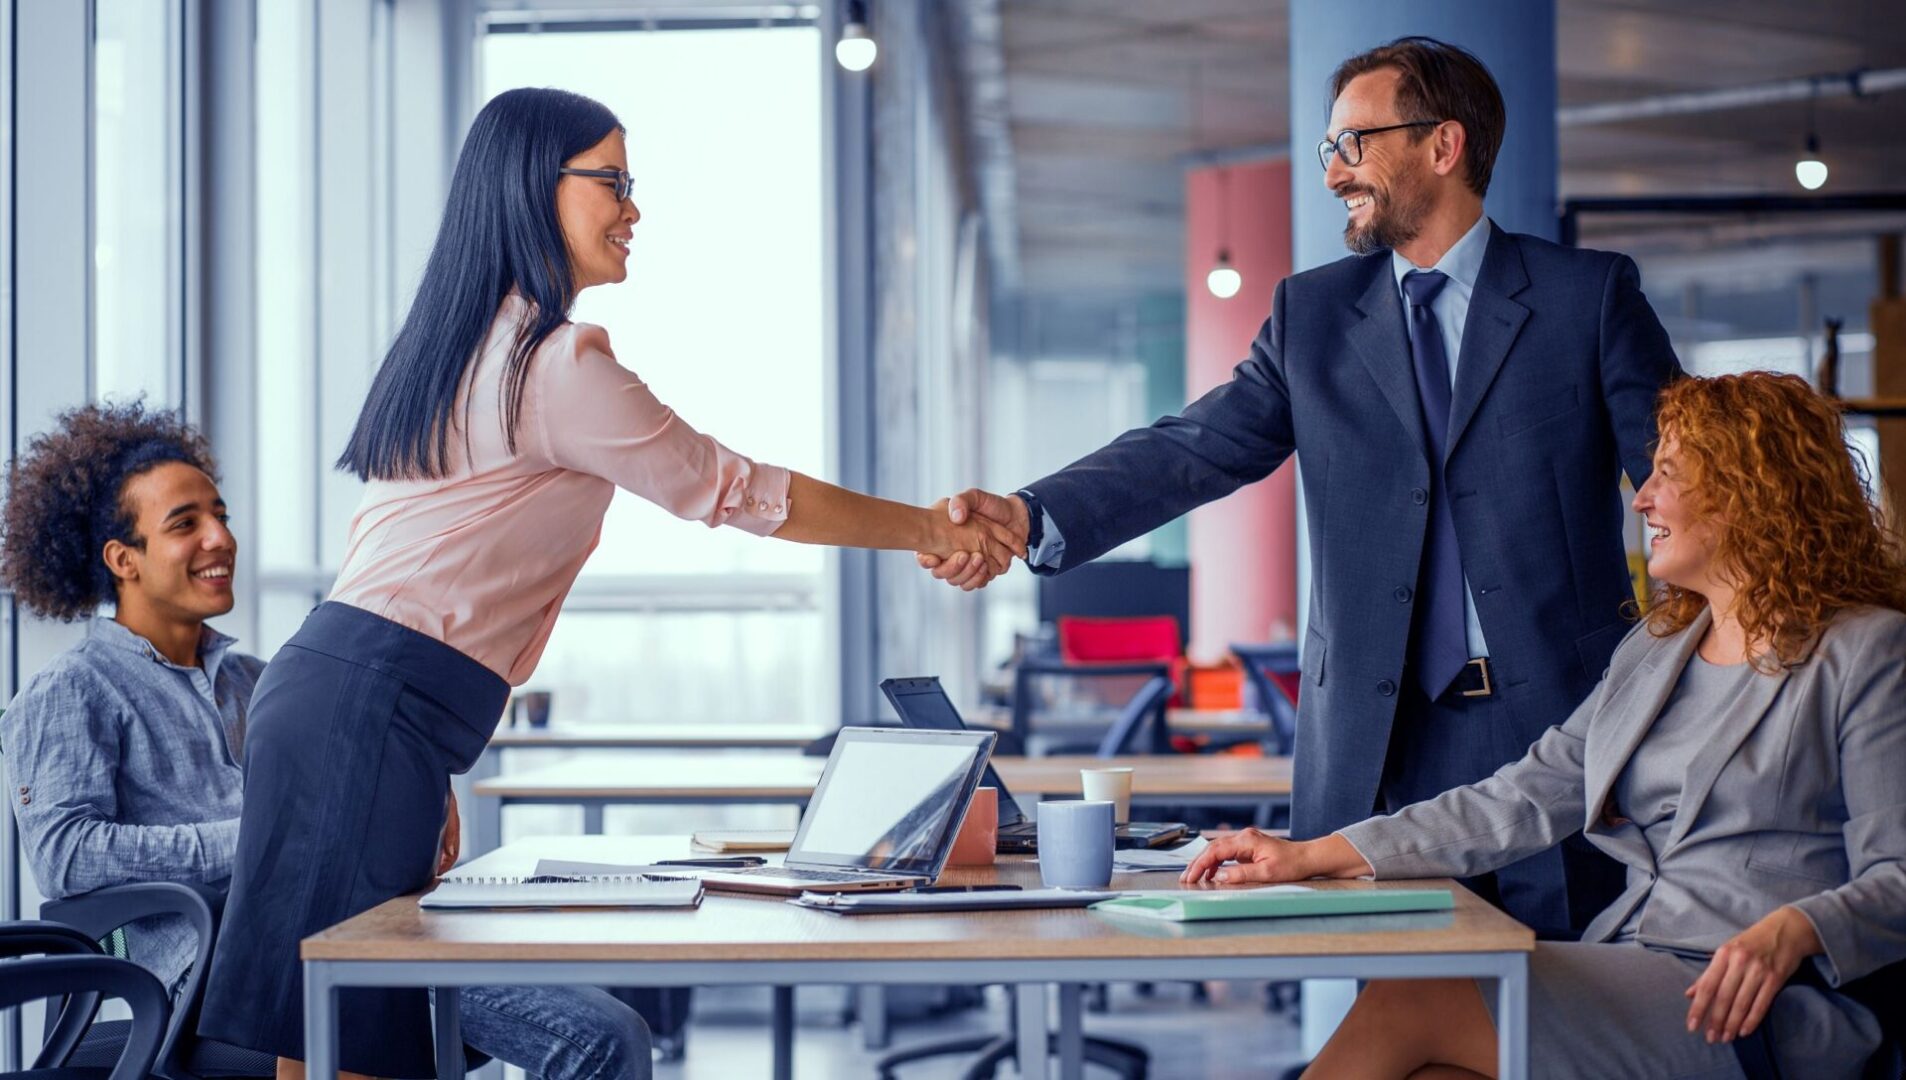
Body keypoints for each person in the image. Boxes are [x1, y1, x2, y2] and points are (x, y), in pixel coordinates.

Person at [195, 86, 1023, 1079]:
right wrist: (928, 528)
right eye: (614, 182)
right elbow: (737, 492)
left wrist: (421, 757)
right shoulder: (552, 365)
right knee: (354, 1034)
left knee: (329, 1028)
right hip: (373, 704)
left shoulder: (454, 349)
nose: (634, 209)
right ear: (532, 188)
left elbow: (408, 571)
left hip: (343, 694)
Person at [922, 36, 1682, 937]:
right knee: (1400, 1004)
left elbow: (1689, 482)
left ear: (1444, 145)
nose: (1333, 174)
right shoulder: (1314, 316)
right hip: (1377, 740)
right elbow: (1192, 447)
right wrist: (1028, 513)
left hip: (1559, 726)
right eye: (1331, 148)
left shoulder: (1584, 297)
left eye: (1354, 144)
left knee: (1559, 1000)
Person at [1181, 372, 1906, 1079]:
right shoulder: (1655, 650)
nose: (1643, 495)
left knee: (1415, 995)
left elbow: (1898, 874)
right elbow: (1520, 797)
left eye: (1669, 473)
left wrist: (1800, 927)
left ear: (1753, 493)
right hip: (1635, 960)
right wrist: (1310, 855)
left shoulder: (1865, 651)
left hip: (1765, 1000)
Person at [0, 402, 655, 1080]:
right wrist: (267, 840)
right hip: (224, 977)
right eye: (184, 524)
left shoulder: (269, 682)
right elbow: (67, 858)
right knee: (597, 1040)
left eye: (220, 515)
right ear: (122, 559)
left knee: (602, 1022)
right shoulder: (71, 691)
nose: (219, 538)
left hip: (354, 926)